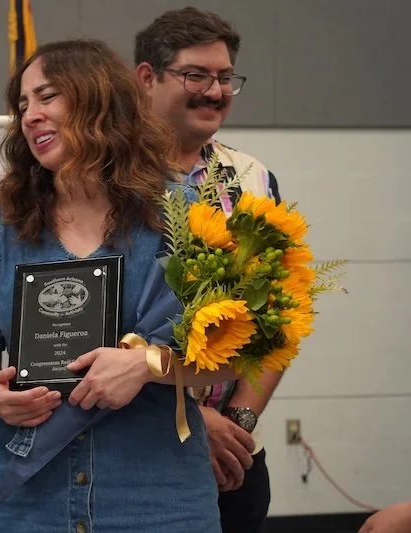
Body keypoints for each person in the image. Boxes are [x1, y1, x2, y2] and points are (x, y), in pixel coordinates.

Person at [0, 38, 242, 532]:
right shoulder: (0, 222)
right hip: (26, 493)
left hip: (154, 495)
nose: (30, 116)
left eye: (47, 97)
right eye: (23, 105)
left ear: (99, 99)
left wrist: (147, 365)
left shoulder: (185, 214)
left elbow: (232, 354)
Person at [135, 7, 283, 533]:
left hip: (235, 458)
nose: (215, 92)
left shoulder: (253, 179)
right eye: (196, 75)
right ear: (147, 78)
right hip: (136, 453)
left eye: (225, 78)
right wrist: (198, 422)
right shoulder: (107, 179)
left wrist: (239, 422)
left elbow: (279, 320)